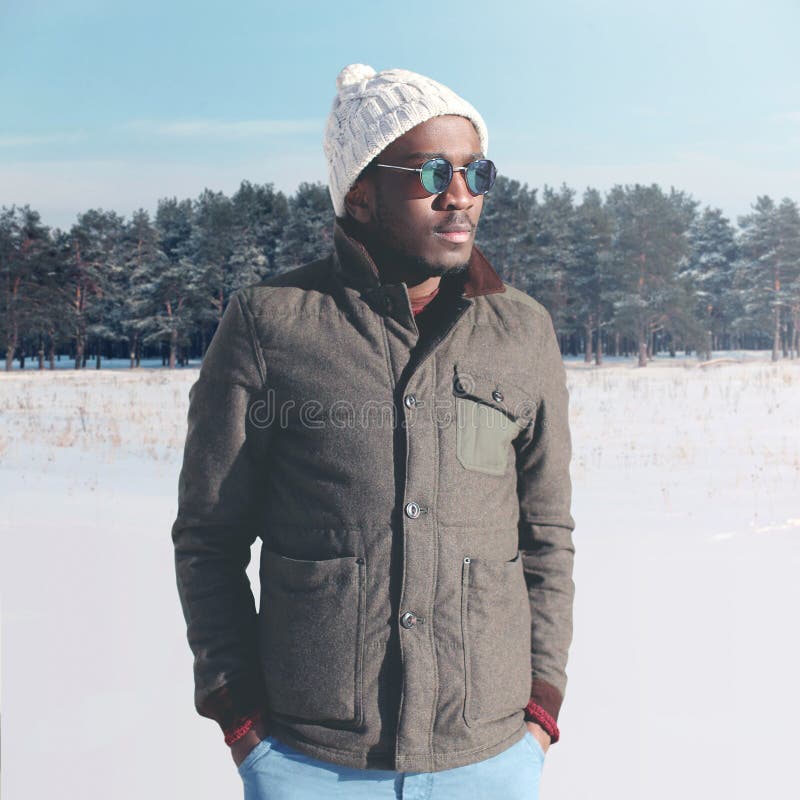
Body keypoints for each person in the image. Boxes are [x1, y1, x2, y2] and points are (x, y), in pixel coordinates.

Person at [171, 63, 576, 799]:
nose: (460, 195)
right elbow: (209, 536)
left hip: (488, 755)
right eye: (431, 171)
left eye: (476, 171)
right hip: (309, 757)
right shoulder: (271, 324)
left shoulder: (522, 332)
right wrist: (240, 722)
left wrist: (541, 709)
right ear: (360, 193)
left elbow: (545, 531)